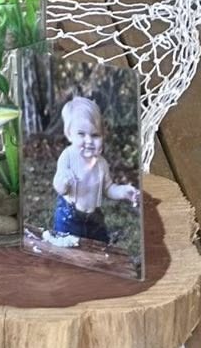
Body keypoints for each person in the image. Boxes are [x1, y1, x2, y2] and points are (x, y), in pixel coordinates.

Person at [51, 96, 139, 242]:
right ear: (69, 134)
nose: (89, 141)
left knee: (101, 248)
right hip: (69, 217)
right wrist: (63, 182)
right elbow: (59, 185)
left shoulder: (101, 164)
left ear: (102, 136)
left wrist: (123, 191)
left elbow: (109, 188)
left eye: (95, 135)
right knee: (66, 249)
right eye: (81, 134)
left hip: (94, 219)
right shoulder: (68, 156)